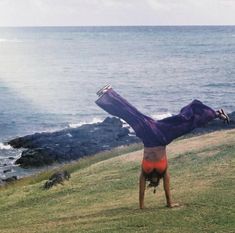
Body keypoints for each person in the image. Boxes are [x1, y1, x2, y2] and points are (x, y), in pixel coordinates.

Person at [95, 85, 230, 209]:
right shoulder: (163, 172)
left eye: (151, 184)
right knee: (185, 124)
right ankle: (217, 114)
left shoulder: (145, 173)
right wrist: (169, 203)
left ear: (150, 182)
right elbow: (167, 188)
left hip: (148, 137)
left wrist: (141, 206)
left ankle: (109, 94)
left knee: (131, 115)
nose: (153, 183)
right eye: (155, 183)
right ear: (157, 182)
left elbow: (141, 189)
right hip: (162, 137)